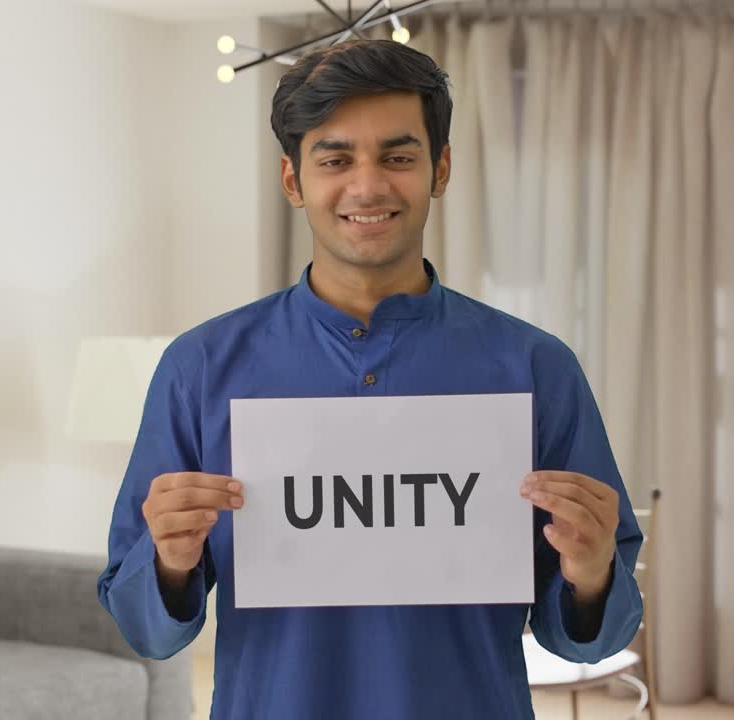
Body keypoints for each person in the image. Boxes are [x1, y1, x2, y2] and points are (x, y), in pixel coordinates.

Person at [98, 38, 643, 720]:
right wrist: (170, 564)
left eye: (398, 156)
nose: (368, 185)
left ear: (440, 168)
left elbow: (591, 639)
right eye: (335, 159)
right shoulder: (200, 368)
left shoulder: (535, 367)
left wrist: (591, 575)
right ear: (293, 180)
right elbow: (144, 628)